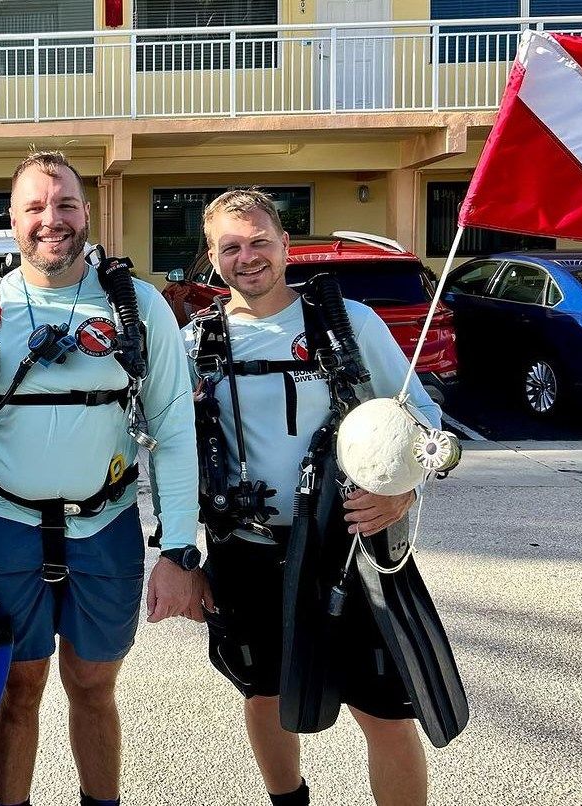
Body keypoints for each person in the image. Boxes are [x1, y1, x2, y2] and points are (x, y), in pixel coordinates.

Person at [0, 151, 201, 806]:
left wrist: (179, 550)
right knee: (17, 691)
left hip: (105, 531)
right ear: (13, 220)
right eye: (35, 207)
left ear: (86, 213)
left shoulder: (136, 306)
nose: (52, 220)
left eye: (66, 205)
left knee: (93, 687)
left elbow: (172, 429)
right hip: (5, 533)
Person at [185, 188, 447, 806]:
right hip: (247, 551)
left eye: (258, 242)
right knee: (267, 694)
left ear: (284, 244)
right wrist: (184, 558)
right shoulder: (197, 343)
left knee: (384, 711)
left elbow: (426, 425)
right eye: (230, 247)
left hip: (348, 547)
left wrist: (404, 491)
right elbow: (172, 452)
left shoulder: (348, 323)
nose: (247, 257)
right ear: (212, 256)